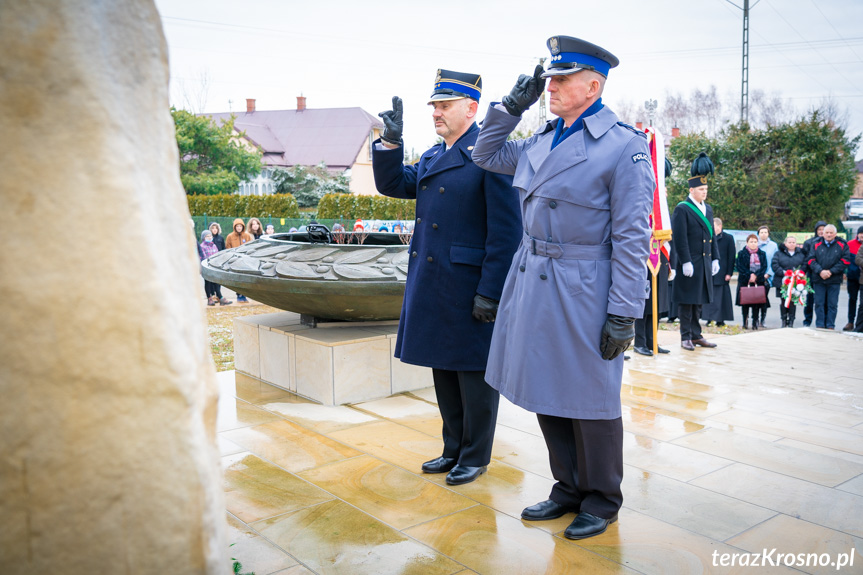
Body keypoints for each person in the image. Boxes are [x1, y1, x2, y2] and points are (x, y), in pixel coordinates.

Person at [472, 36, 653, 540]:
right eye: (548, 79)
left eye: (561, 79)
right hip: (532, 280)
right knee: (547, 389)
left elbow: (633, 238)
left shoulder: (624, 147)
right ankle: (568, 486)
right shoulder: (542, 138)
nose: (550, 87)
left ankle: (602, 497)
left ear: (593, 85)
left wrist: (624, 311)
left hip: (584, 284)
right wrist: (510, 107)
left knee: (592, 397)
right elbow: (485, 154)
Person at [372, 69, 522, 486]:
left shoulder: (491, 154)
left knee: (474, 377)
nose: (435, 112)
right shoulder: (434, 156)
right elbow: (392, 183)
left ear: (471, 108)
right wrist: (390, 141)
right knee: (444, 371)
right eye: (434, 106)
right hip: (435, 285)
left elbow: (506, 232)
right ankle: (452, 447)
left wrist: (491, 291)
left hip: (470, 286)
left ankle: (475, 456)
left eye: (444, 105)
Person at [671, 153, 720, 351]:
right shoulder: (682, 208)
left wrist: (715, 257)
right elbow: (680, 238)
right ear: (691, 190)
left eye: (706, 189)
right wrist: (685, 261)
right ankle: (685, 336)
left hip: (705, 261)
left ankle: (696, 335)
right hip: (690, 262)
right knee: (687, 300)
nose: (704, 192)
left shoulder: (707, 209)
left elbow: (712, 235)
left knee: (699, 301)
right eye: (701, 189)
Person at [807, 224, 851, 330]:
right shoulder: (815, 243)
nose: (829, 234)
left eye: (831, 233)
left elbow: (845, 260)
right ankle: (820, 325)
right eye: (827, 232)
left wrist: (831, 272)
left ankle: (830, 325)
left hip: (834, 279)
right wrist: (820, 271)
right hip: (818, 279)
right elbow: (810, 260)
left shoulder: (842, 244)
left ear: (835, 234)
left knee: (832, 304)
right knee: (819, 303)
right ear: (823, 233)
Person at [633, 251, 670, 356]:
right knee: (645, 305)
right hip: (646, 261)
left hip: (660, 261)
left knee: (657, 304)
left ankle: (651, 341)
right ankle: (639, 343)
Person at [702, 217, 735, 326]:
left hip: (722, 273)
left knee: (721, 298)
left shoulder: (728, 238)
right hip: (709, 272)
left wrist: (729, 273)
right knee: (709, 296)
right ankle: (708, 318)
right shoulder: (708, 237)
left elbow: (731, 257)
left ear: (720, 226)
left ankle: (720, 319)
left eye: (714, 227)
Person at [771, 235, 806, 327]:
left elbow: (804, 264)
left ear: (796, 244)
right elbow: (774, 264)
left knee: (792, 301)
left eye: (793, 242)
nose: (791, 244)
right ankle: (783, 320)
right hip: (782, 281)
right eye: (789, 242)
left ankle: (791, 321)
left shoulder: (801, 254)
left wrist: (798, 272)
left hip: (796, 281)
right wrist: (784, 273)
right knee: (783, 301)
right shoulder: (778, 253)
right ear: (785, 243)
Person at [735, 234, 768, 329]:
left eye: (755, 242)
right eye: (751, 242)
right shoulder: (741, 253)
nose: (753, 244)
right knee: (745, 302)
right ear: (747, 243)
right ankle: (745, 321)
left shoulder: (762, 254)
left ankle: (755, 322)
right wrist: (749, 275)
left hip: (758, 281)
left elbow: (764, 266)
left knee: (756, 302)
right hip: (745, 281)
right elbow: (739, 266)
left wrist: (756, 275)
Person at [802, 220, 826, 326]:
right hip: (811, 274)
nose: (821, 231)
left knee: (822, 300)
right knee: (810, 300)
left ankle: (822, 321)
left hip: (824, 275)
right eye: (819, 229)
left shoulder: (829, 242)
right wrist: (803, 272)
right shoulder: (809, 242)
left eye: (823, 229)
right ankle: (807, 320)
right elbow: (805, 259)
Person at [199, 230, 232, 306]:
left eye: (210, 236)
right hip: (207, 267)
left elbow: (217, 255)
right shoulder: (202, 246)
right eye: (207, 236)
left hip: (215, 267)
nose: (210, 237)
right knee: (208, 283)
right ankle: (209, 298)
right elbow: (202, 257)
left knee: (217, 283)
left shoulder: (214, 245)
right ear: (204, 238)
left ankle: (220, 297)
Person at [225, 218, 253, 303]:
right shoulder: (230, 236)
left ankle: (244, 295)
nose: (239, 228)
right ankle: (239, 295)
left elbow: (251, 246)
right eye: (237, 226)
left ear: (243, 227)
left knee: (245, 278)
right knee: (237, 278)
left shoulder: (247, 236)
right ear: (235, 227)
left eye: (240, 226)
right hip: (235, 260)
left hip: (245, 260)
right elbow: (228, 247)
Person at [754, 225, 777, 328]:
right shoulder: (754, 244)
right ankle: (755, 319)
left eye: (765, 232)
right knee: (753, 298)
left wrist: (768, 274)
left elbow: (775, 261)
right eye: (761, 232)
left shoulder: (773, 245)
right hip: (755, 277)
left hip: (766, 277)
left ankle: (762, 319)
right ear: (758, 234)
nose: (763, 234)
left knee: (763, 299)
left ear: (768, 234)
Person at [843, 226, 862, 330]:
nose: (862, 235)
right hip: (852, 277)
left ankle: (860, 324)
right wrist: (845, 272)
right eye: (861, 233)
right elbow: (845, 260)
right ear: (858, 234)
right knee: (852, 300)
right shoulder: (850, 244)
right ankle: (850, 322)